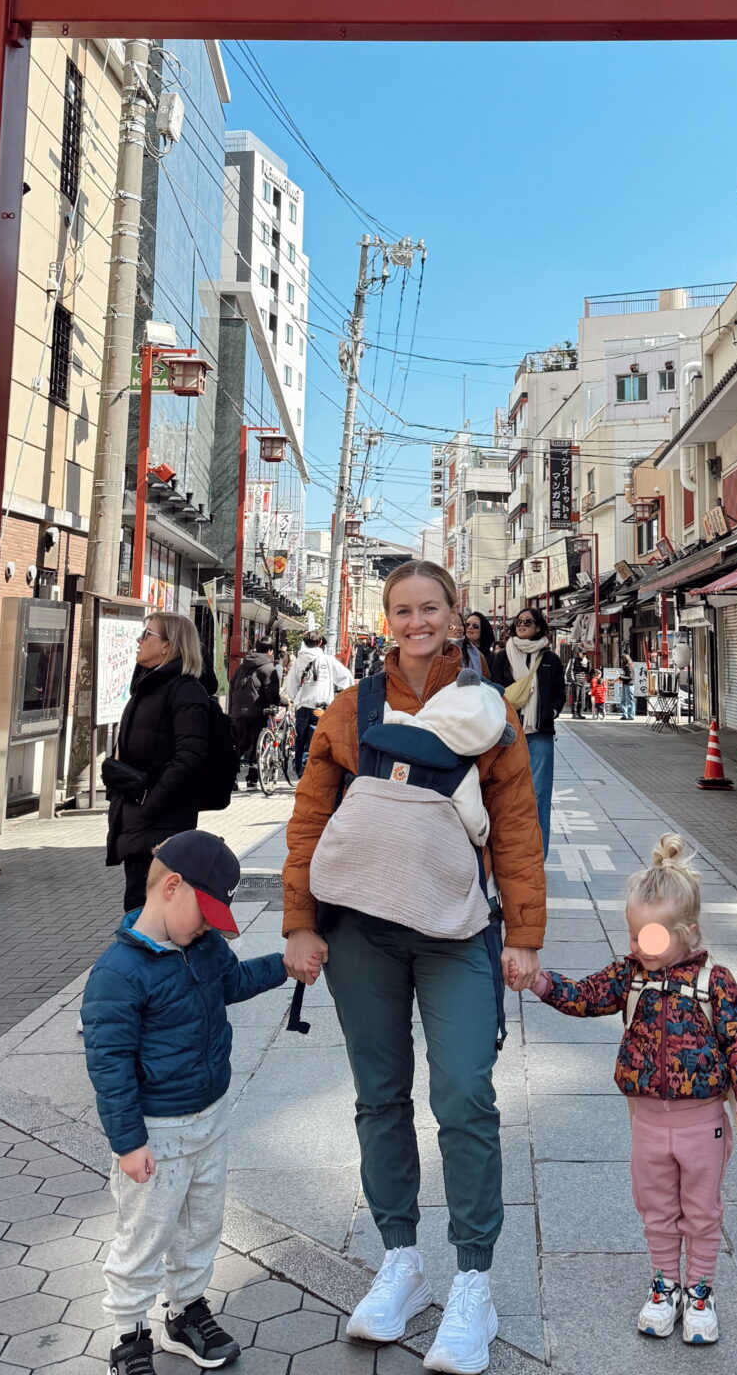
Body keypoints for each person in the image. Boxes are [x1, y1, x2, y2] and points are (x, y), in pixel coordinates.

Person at [282, 559, 546, 1375]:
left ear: (456, 613)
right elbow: (310, 816)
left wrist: (524, 934)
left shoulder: (490, 710)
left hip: (456, 928)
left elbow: (515, 824)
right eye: (402, 610)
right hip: (360, 928)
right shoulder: (352, 707)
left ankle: (473, 1281)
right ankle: (400, 1258)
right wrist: (299, 922)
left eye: (430, 608)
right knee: (380, 1094)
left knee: (465, 1092)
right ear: (386, 619)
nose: (416, 622)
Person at [526, 834, 737, 1347]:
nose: (636, 946)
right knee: (655, 1207)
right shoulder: (629, 976)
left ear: (688, 933)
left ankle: (700, 1292)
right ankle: (664, 1285)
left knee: (702, 1210)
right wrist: (543, 983)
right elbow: (586, 996)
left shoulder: (715, 983)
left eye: (649, 938)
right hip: (648, 1122)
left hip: (704, 1122)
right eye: (633, 935)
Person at [82, 830, 288, 1375]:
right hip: (156, 1131)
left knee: (200, 1224)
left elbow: (233, 982)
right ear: (171, 887)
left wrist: (285, 965)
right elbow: (110, 1068)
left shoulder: (204, 947)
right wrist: (129, 1143)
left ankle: (186, 1311)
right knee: (145, 1234)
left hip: (209, 1118)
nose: (207, 928)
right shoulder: (117, 974)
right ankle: (129, 1335)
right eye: (205, 915)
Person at [104, 614, 215, 915]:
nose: (139, 640)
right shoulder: (147, 687)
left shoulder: (185, 690)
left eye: (147, 634)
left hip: (161, 823)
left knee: (149, 915)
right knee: (143, 911)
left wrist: (150, 804)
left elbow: (190, 756)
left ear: (168, 645)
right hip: (138, 820)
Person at [489, 607, 566, 859]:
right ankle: (510, 853)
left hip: (539, 732)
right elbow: (494, 690)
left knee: (539, 794)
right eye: (518, 621)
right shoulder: (503, 657)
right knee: (507, 792)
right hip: (509, 733)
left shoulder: (550, 659)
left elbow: (559, 692)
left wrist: (551, 710)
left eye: (528, 621)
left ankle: (537, 856)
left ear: (539, 627)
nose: (521, 625)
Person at [283, 630, 353, 774]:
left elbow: (290, 685)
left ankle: (302, 773)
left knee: (301, 741)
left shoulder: (298, 662)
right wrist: (342, 698)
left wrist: (298, 699)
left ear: (304, 643)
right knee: (319, 743)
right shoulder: (327, 660)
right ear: (320, 642)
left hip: (303, 707)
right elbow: (346, 678)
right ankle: (315, 774)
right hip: (321, 708)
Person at [229, 640, 280, 791]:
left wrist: (232, 709)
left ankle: (231, 778)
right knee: (257, 746)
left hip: (238, 712)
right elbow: (271, 694)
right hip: (257, 713)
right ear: (270, 651)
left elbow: (232, 686)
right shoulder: (268, 668)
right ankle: (252, 780)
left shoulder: (242, 666)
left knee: (239, 745)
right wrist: (282, 702)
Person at [461, 610, 496, 679]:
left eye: (475, 626)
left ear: (483, 630)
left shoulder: (493, 658)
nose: (470, 627)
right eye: (467, 625)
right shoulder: (457, 652)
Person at [567, 648, 592, 718]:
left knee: (580, 698)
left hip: (582, 680)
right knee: (576, 698)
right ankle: (574, 713)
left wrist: (589, 664)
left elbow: (587, 671)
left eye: (585, 654)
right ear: (579, 653)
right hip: (576, 680)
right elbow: (570, 670)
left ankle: (579, 713)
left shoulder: (585, 661)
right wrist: (573, 680)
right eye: (582, 653)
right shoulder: (573, 660)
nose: (584, 655)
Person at [618, 651, 636, 722]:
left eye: (622, 659)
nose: (621, 661)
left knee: (629, 700)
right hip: (625, 684)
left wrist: (620, 677)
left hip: (629, 685)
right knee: (623, 700)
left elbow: (630, 677)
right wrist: (621, 676)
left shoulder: (629, 667)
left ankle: (631, 715)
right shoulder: (626, 667)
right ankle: (624, 715)